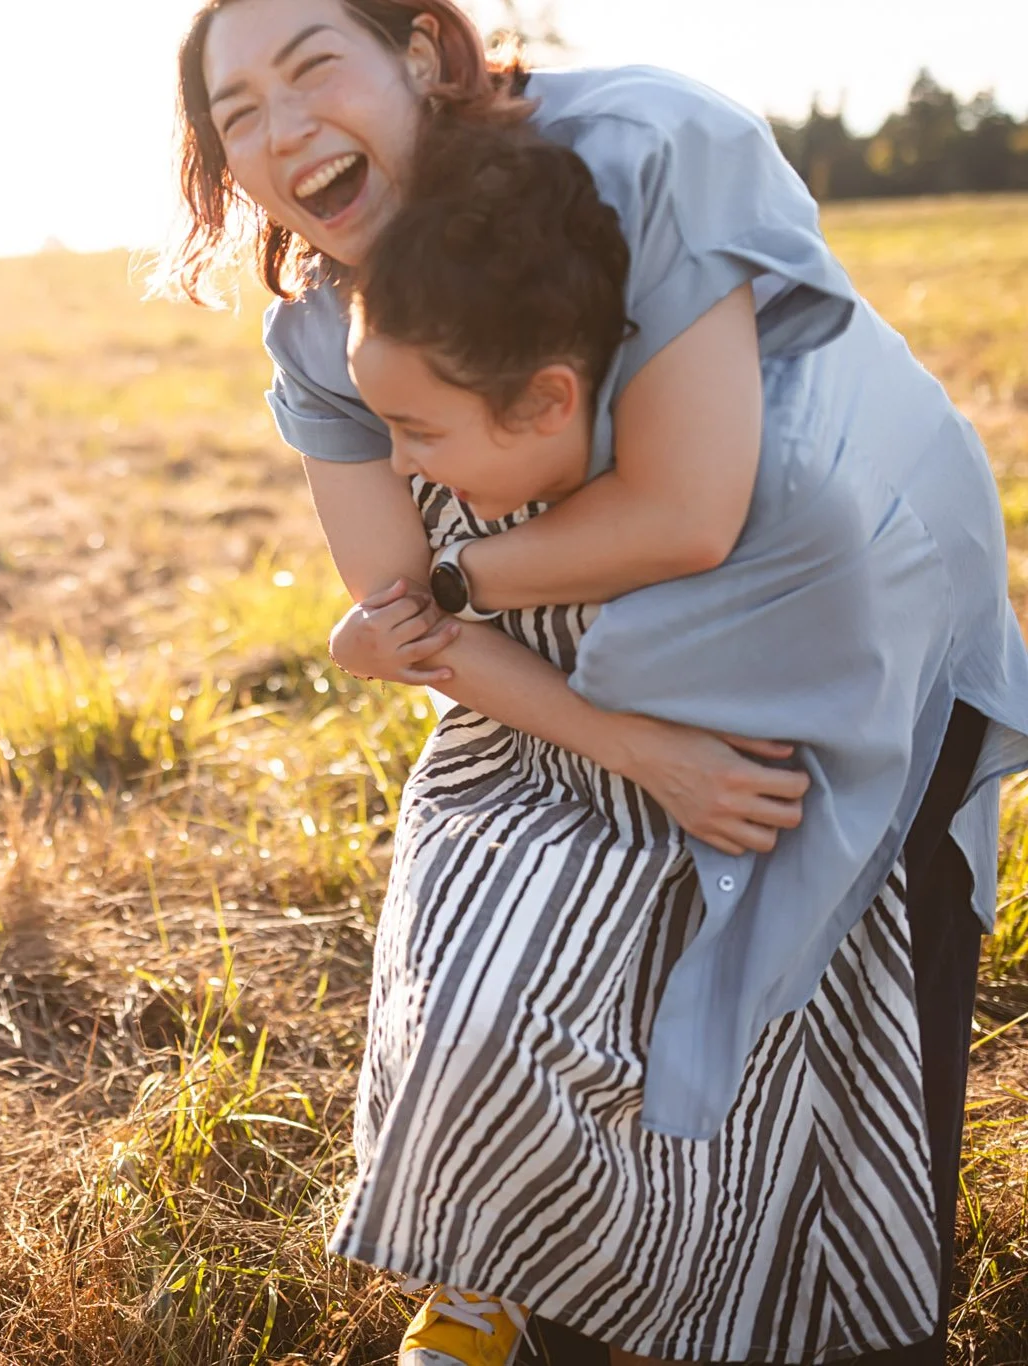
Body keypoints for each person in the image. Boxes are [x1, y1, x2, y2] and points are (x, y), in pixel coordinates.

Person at [165, 1, 1028, 1362]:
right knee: (518, 961)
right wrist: (629, 744)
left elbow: (675, 515)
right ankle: (549, 1271)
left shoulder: (644, 146)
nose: (280, 130)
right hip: (584, 660)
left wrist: (443, 593)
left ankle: (840, 1296)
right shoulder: (320, 335)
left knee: (826, 972)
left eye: (311, 66)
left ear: (423, 52)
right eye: (236, 115)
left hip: (850, 611)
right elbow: (402, 626)